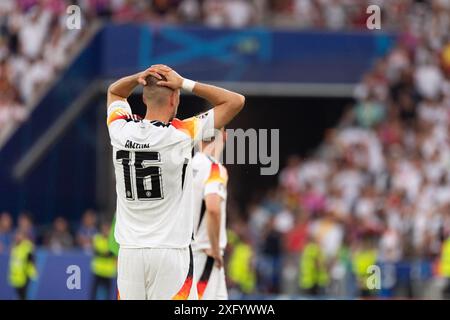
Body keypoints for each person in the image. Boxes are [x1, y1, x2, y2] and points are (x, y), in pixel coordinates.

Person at [107, 64, 245, 300]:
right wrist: (185, 83)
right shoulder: (181, 134)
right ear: (174, 100)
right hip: (170, 253)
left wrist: (137, 77)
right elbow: (235, 102)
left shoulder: (120, 130)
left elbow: (115, 92)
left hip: (130, 251)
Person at [192, 127, 228, 299]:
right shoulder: (214, 168)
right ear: (225, 136)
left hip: (185, 253)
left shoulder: (186, 165)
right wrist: (214, 248)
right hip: (205, 254)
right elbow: (213, 208)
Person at [91, 222, 117, 300]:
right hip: (98, 271)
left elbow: (112, 252)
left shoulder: (113, 240)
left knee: (108, 293)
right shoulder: (97, 238)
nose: (105, 230)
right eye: (104, 229)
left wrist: (107, 253)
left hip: (108, 272)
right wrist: (107, 253)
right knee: (93, 292)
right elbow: (99, 251)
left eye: (107, 229)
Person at [8, 230, 37, 300]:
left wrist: (28, 270)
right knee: (19, 295)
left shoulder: (27, 246)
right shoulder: (15, 246)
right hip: (16, 275)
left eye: (20, 235)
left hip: (25, 274)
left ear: (24, 237)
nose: (17, 237)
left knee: (23, 295)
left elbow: (31, 259)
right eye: (17, 235)